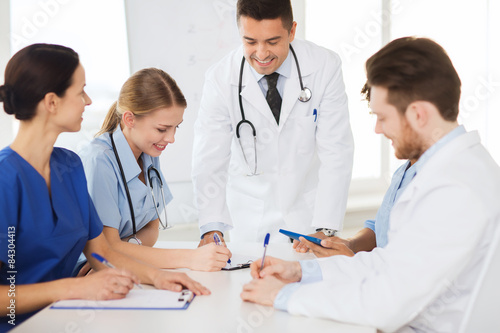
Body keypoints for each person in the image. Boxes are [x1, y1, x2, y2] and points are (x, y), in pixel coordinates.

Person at [240, 37, 500, 332]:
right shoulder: (444, 171)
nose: (378, 129)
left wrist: (283, 296)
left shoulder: (456, 188)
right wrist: (300, 271)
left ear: (418, 114)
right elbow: (385, 264)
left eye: (383, 117)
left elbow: (387, 301)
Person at [0, 44, 209, 330]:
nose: (88, 101)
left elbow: (104, 254)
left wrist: (157, 277)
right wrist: (70, 289)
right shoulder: (5, 179)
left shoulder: (69, 166)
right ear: (52, 102)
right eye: (80, 91)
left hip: (68, 316)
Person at [193, 0, 354, 246]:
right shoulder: (220, 79)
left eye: (272, 41)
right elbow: (209, 161)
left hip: (310, 220)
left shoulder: (324, 66)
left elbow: (337, 150)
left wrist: (326, 227)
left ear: (292, 31)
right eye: (250, 41)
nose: (261, 53)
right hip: (249, 225)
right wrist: (211, 229)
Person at [77, 68, 231, 275]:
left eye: (176, 127)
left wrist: (128, 248)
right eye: (162, 129)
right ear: (130, 119)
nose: (171, 138)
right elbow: (107, 248)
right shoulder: (99, 160)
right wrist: (189, 257)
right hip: (91, 272)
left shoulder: (148, 152)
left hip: (125, 266)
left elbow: (151, 229)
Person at [297, 158, 419, 257]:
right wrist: (347, 244)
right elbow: (380, 230)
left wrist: (352, 261)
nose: (378, 130)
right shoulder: (402, 171)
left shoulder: (429, 183)